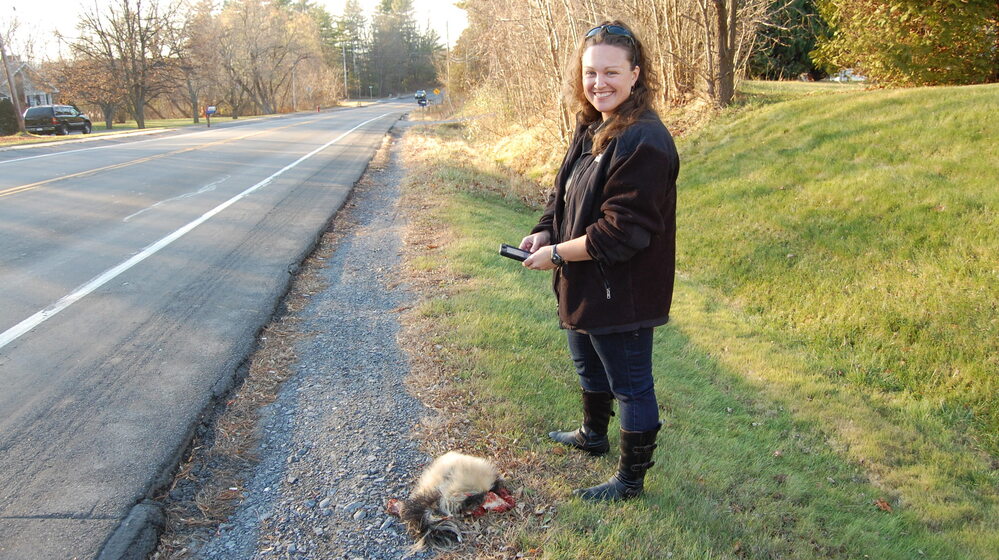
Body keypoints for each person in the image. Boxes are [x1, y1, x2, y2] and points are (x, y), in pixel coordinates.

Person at [520, 20, 678, 501]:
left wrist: (556, 254)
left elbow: (621, 232)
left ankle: (630, 481)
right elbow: (563, 193)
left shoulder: (645, 140)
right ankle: (592, 435)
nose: (599, 83)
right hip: (584, 281)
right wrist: (545, 231)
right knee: (587, 362)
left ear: (635, 74)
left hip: (622, 289)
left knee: (631, 385)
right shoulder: (593, 125)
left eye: (611, 72)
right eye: (591, 72)